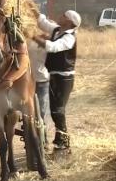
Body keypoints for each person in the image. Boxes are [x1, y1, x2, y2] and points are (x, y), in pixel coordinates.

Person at [33, 10, 81, 151]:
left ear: (69, 22)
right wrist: (30, 6)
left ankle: (64, 142)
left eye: (63, 16)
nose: (60, 16)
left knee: (58, 110)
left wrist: (32, 36)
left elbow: (53, 47)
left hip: (64, 78)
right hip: (53, 75)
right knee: (55, 109)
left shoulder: (69, 37)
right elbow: (42, 22)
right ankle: (60, 141)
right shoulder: (57, 30)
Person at [28, 36, 50, 146]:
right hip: (28, 81)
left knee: (40, 112)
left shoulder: (49, 42)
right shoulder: (28, 41)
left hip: (42, 80)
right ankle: (35, 139)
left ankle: (43, 139)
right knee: (29, 113)